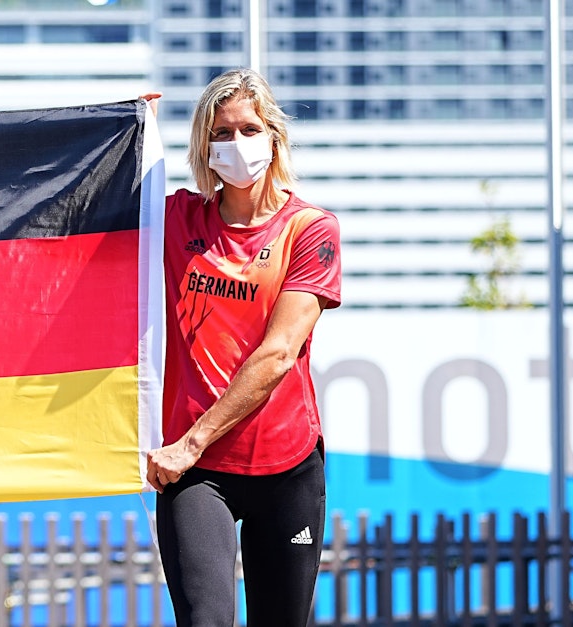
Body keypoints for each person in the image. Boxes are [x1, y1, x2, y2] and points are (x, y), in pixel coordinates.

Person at [143, 68, 343, 626]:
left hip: (285, 464)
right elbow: (98, 206)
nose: (237, 143)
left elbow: (278, 354)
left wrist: (192, 440)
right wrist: (134, 135)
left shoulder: (310, 229)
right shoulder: (174, 219)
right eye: (222, 133)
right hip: (195, 471)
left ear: (274, 137)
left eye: (250, 130)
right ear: (204, 147)